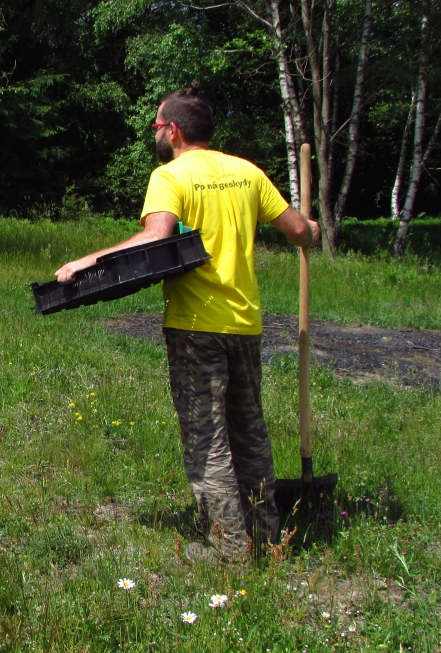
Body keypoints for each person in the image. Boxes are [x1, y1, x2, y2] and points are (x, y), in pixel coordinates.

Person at [55, 83, 320, 563]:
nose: (155, 133)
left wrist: (86, 262)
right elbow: (299, 231)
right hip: (245, 325)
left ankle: (229, 550)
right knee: (250, 431)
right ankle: (266, 535)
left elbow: (153, 238)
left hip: (196, 327)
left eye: (157, 126)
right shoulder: (247, 172)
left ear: (173, 130)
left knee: (208, 437)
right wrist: (313, 231)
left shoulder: (170, 176)